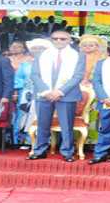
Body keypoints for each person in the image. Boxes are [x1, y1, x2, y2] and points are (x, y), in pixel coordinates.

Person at [28, 30, 86, 162]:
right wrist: (46, 91)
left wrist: (60, 91)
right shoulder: (42, 54)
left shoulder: (78, 55)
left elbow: (77, 76)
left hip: (67, 95)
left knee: (66, 125)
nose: (59, 41)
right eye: (55, 39)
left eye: (63, 39)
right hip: (44, 95)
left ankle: (67, 152)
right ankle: (40, 150)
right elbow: (35, 75)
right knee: (42, 124)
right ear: (51, 39)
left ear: (69, 40)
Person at [7, 40, 33, 146]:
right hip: (13, 89)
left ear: (24, 48)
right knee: (15, 114)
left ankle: (28, 139)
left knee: (28, 114)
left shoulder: (29, 60)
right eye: (13, 46)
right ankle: (14, 139)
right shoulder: (6, 59)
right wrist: (14, 92)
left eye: (18, 46)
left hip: (30, 91)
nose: (15, 48)